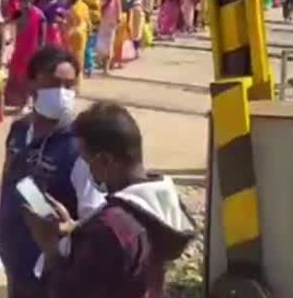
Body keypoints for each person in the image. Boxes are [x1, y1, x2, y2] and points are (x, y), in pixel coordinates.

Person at [23, 101, 195, 298]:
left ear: (105, 160)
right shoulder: (162, 204)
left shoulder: (109, 229)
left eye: (86, 160)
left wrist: (50, 248)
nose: (87, 170)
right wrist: (79, 229)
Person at [0, 46, 105, 298]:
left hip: (55, 278)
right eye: (54, 83)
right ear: (33, 83)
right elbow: (5, 193)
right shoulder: (19, 132)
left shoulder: (78, 146)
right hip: (16, 267)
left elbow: (96, 217)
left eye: (69, 85)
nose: (62, 93)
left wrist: (70, 233)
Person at [5, 0, 46, 111]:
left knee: (30, 78)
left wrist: (41, 48)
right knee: (18, 76)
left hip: (32, 50)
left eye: (24, 2)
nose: (22, 5)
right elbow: (8, 22)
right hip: (20, 50)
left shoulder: (39, 15)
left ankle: (32, 104)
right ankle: (21, 103)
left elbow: (42, 33)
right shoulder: (18, 13)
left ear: (29, 2)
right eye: (20, 3)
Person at [96, 0, 121, 75]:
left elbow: (119, 11)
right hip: (102, 25)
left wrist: (118, 22)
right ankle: (103, 65)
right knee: (101, 47)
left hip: (110, 26)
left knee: (107, 47)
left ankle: (106, 68)